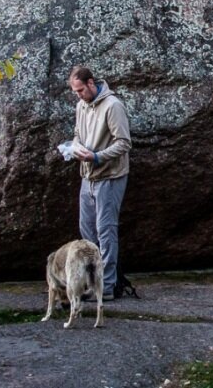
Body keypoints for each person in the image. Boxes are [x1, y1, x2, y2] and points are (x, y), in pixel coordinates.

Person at [68, 66, 131, 300]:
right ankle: (88, 282)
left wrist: (97, 156)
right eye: (75, 92)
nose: (79, 95)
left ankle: (106, 286)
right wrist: (75, 148)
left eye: (81, 90)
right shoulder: (81, 106)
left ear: (91, 83)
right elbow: (77, 133)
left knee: (106, 231)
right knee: (87, 232)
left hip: (110, 176)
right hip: (87, 176)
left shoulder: (113, 106)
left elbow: (124, 142)